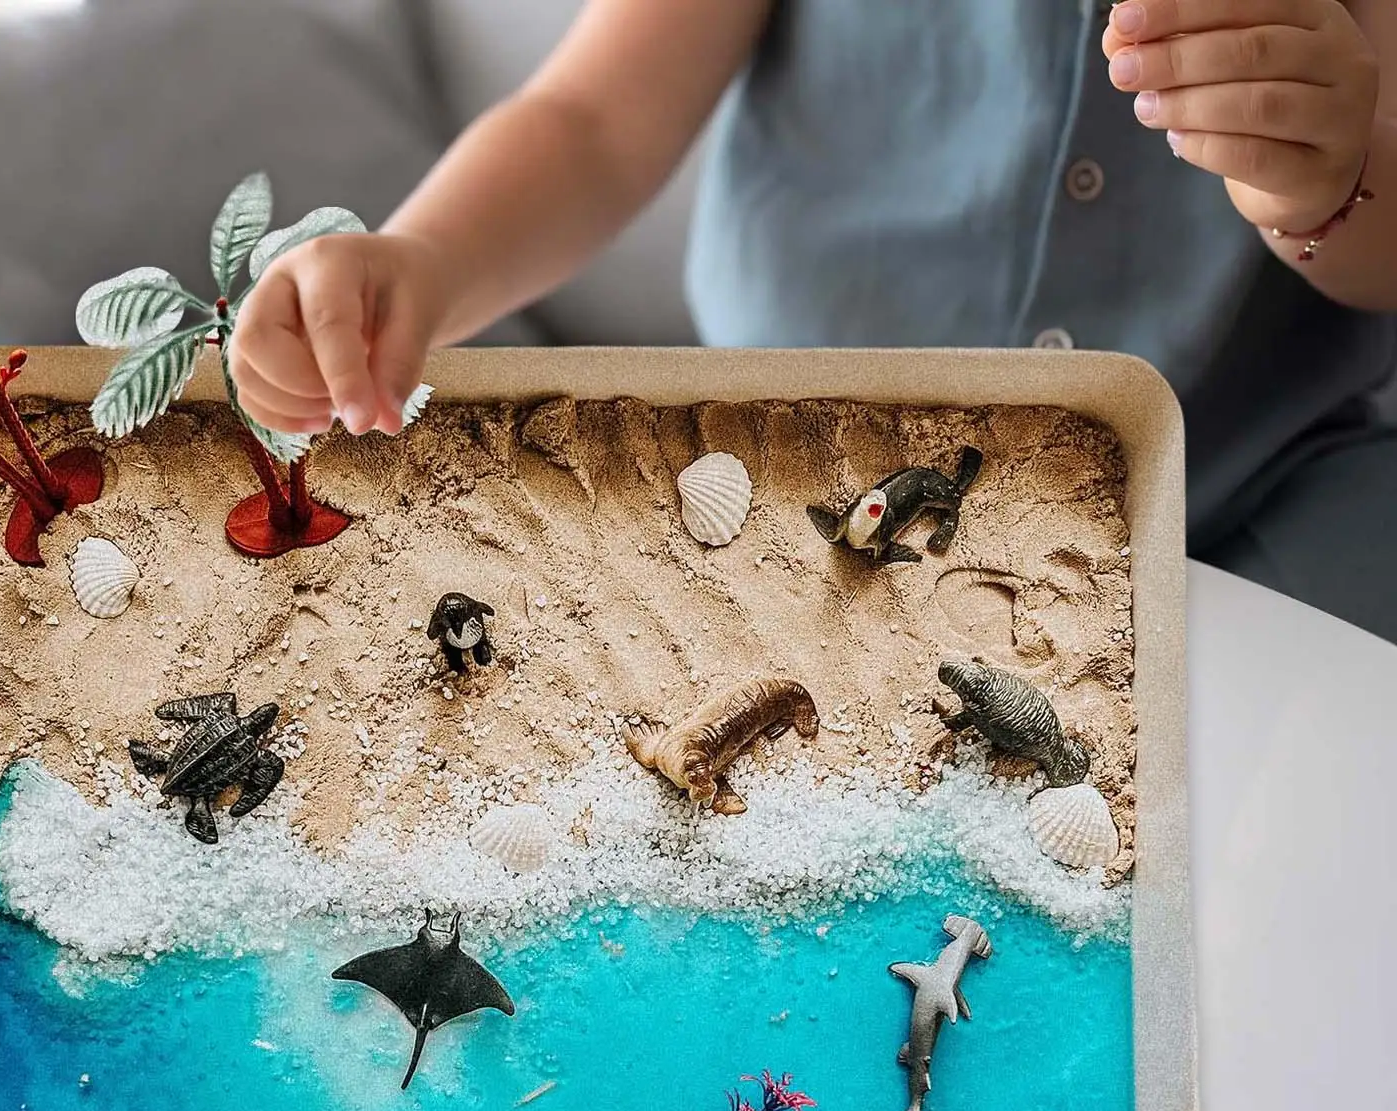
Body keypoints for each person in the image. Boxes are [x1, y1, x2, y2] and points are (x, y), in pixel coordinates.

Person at [230, 0, 1397, 641]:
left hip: (1247, 487)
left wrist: (1321, 183)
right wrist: (426, 260)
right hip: (798, 475)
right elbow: (593, 121)